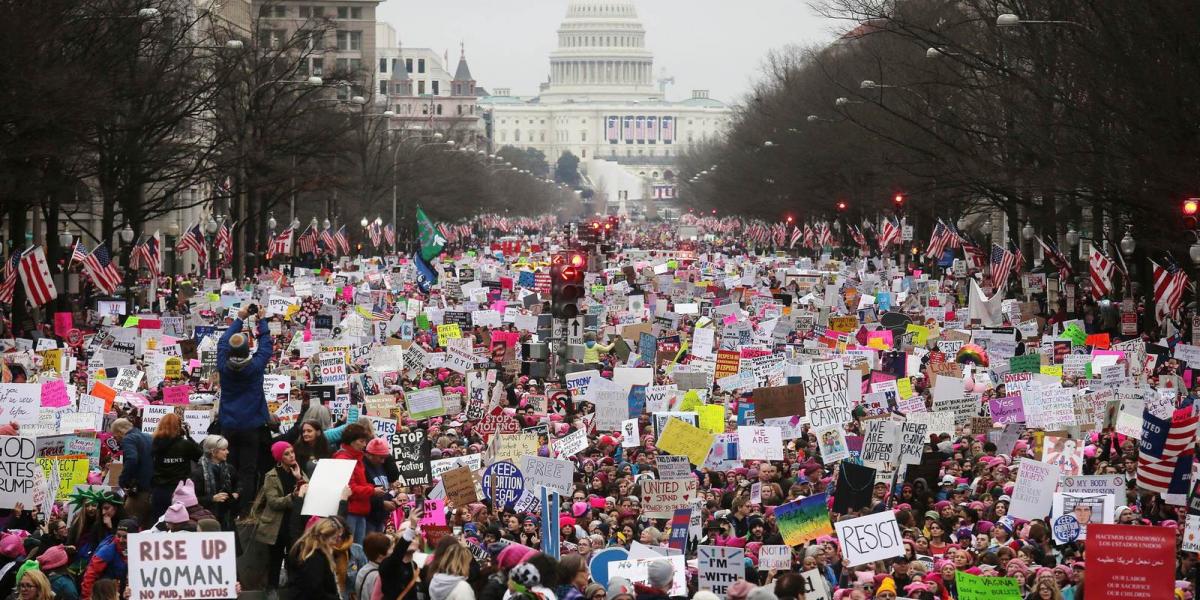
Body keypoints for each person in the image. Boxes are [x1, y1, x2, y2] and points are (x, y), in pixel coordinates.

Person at [217, 304, 274, 509]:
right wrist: (262, 321)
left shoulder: (223, 366)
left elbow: (222, 342)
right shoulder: (255, 367)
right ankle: (244, 509)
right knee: (248, 470)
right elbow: (267, 347)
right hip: (251, 426)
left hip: (229, 424)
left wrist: (240, 318)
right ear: (247, 350)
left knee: (228, 466)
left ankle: (227, 504)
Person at [251, 442, 307, 591]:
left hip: (295, 523)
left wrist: (298, 477)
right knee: (275, 560)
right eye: (286, 454)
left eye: (292, 452)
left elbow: (308, 491)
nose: (291, 456)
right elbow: (274, 502)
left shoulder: (299, 471)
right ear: (279, 457)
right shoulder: (271, 476)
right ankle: (272, 589)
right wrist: (293, 497)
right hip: (277, 525)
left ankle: (293, 587)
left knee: (294, 558)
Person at [331, 424, 378, 544]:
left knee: (358, 550)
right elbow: (350, 488)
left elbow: (359, 483)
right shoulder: (343, 459)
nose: (364, 445)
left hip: (359, 510)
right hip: (350, 512)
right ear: (351, 441)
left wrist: (371, 488)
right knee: (350, 550)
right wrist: (372, 490)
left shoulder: (357, 458)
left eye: (365, 441)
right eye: (361, 441)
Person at [149, 413, 202, 519]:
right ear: (178, 427)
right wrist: (189, 436)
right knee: (180, 522)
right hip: (180, 490)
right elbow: (200, 457)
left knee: (159, 522)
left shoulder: (154, 443)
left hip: (160, 489)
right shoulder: (185, 444)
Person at [285, 517, 346, 600]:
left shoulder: (309, 552)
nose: (336, 542)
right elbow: (315, 591)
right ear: (323, 538)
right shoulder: (315, 558)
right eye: (334, 538)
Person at [110, 419, 153, 528]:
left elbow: (132, 459)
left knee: (127, 525)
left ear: (120, 432)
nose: (116, 440)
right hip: (153, 490)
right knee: (147, 526)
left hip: (139, 492)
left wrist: (123, 481)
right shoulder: (148, 437)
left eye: (115, 436)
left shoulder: (128, 438)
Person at [80, 519, 136, 600]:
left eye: (125, 537)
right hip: (106, 595)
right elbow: (90, 575)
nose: (120, 540)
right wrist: (87, 598)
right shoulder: (107, 550)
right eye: (118, 535)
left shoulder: (139, 548)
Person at [192, 435, 239, 530]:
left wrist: (236, 493)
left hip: (227, 519)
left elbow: (239, 484)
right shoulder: (198, 473)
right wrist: (212, 498)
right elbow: (193, 499)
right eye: (224, 449)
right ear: (213, 452)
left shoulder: (230, 469)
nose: (227, 452)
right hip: (207, 521)